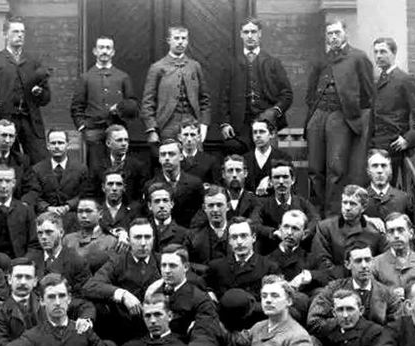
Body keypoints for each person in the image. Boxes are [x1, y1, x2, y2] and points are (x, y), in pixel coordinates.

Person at [305, 19, 374, 215]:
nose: (333, 37)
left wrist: (352, 113)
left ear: (345, 33)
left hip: (341, 115)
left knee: (336, 168)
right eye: (330, 34)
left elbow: (368, 94)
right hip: (319, 113)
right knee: (314, 167)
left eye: (337, 33)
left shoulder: (358, 57)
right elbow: (310, 91)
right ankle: (317, 213)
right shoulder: (321, 59)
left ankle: (333, 214)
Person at [82, 219, 161, 344]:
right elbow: (90, 286)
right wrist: (122, 294)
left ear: (153, 239)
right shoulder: (117, 262)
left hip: (158, 329)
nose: (143, 243)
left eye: (147, 237)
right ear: (129, 240)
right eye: (137, 237)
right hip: (124, 333)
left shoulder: (163, 262)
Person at [221, 17, 292, 153]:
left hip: (266, 122)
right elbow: (224, 97)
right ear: (241, 34)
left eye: (253, 32)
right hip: (240, 125)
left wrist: (274, 111)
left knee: (268, 159)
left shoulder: (273, 63)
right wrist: (225, 123)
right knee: (239, 159)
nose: (250, 36)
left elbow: (287, 94)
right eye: (246, 32)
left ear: (260, 33)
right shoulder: (231, 64)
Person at [0, 16, 51, 164]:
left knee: (39, 161)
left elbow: (46, 98)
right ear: (5, 34)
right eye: (15, 31)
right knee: (7, 161)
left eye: (22, 32)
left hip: (30, 121)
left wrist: (39, 92)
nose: (20, 35)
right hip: (6, 121)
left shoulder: (34, 61)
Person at [70, 35, 138, 170]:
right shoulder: (86, 78)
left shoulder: (122, 77)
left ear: (113, 52)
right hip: (93, 130)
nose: (105, 51)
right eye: (101, 48)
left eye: (108, 48)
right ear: (95, 51)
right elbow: (76, 106)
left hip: (117, 129)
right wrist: (83, 127)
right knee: (95, 167)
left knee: (118, 165)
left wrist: (120, 108)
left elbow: (133, 104)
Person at [307, 243, 402, 338]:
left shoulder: (388, 294)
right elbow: (314, 321)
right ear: (347, 264)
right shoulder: (333, 289)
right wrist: (344, 320)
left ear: (373, 262)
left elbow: (397, 328)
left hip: (376, 343)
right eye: (358, 261)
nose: (364, 265)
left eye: (367, 260)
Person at [372, 37, 415, 185]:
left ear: (393, 53)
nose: (378, 56)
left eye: (383, 52)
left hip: (393, 147)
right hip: (375, 145)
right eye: (376, 52)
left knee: (388, 191)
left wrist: (408, 139)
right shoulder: (378, 81)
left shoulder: (405, 80)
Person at [141, 26, 211, 143]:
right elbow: (148, 102)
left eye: (183, 38)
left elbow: (204, 99)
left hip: (193, 126)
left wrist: (204, 125)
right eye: (176, 38)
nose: (180, 42)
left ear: (187, 41)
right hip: (167, 126)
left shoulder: (194, 66)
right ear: (169, 40)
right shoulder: (157, 67)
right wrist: (151, 128)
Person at [311, 184, 388, 280]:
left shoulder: (374, 231)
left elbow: (383, 262)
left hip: (366, 281)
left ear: (363, 208)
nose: (347, 208)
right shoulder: (326, 228)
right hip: (335, 281)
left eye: (353, 204)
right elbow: (321, 261)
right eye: (345, 202)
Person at [205, 217, 281, 303]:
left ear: (253, 238)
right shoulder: (216, 267)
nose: (239, 242)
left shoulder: (269, 267)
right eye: (234, 237)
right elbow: (206, 287)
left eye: (243, 236)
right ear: (229, 241)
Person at [252, 159, 320, 254]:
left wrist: (305, 232)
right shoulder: (263, 204)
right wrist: (273, 232)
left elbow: (316, 219)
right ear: (270, 182)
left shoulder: (302, 203)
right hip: (271, 253)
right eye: (276, 177)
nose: (281, 182)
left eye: (285, 177)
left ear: (293, 180)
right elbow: (254, 224)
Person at [372, 212, 415, 298]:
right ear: (387, 237)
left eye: (400, 230)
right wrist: (391, 293)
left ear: (411, 233)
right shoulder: (374, 265)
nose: (396, 235)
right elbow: (371, 295)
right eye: (391, 231)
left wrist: (409, 292)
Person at [268, 210, 332, 294]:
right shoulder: (267, 259)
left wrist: (310, 275)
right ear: (280, 229)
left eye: (295, 228)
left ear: (304, 234)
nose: (289, 232)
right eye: (286, 227)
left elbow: (328, 276)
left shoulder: (311, 258)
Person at [145, 138, 204, 227]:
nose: (167, 158)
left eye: (171, 154)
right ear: (159, 159)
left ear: (181, 156)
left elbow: (201, 211)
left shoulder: (195, 183)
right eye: (163, 155)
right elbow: (148, 213)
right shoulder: (150, 185)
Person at [87, 124, 149, 203]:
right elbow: (92, 194)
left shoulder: (138, 166)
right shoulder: (98, 167)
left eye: (126, 140)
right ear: (108, 143)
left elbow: (141, 196)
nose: (124, 143)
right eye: (119, 140)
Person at [33, 129, 89, 215]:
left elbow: (84, 194)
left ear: (67, 144)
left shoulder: (81, 169)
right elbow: (34, 196)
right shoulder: (37, 169)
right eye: (53, 143)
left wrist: (68, 206)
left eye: (60, 143)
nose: (56, 146)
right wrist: (47, 208)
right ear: (48, 146)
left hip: (72, 214)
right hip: (45, 215)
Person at [34, 212, 91, 293]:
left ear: (61, 232)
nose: (43, 237)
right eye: (40, 233)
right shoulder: (32, 261)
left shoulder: (77, 262)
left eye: (49, 232)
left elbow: (82, 294)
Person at [62, 198, 119, 273]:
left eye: (88, 211)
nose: (83, 216)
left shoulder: (110, 241)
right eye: (80, 211)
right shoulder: (68, 239)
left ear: (100, 214)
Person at [184, 186, 230, 275]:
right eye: (211, 205)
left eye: (219, 205)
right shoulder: (192, 236)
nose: (215, 210)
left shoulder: (240, 232)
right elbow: (185, 264)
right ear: (204, 208)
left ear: (228, 206)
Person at [364, 149, 411, 221]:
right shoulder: (361, 198)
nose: (380, 171)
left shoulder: (403, 198)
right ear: (368, 171)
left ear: (390, 170)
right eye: (375, 166)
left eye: (384, 166)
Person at [146, 182, 188, 252]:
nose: (161, 205)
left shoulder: (184, 234)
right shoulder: (144, 231)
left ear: (172, 204)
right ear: (149, 206)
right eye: (157, 201)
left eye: (165, 200)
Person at [98, 171, 140, 237]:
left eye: (118, 184)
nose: (114, 188)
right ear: (103, 187)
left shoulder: (133, 212)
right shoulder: (96, 211)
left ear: (124, 188)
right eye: (110, 184)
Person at [179, 120, 219, 186]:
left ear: (199, 137)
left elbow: (215, 185)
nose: (189, 139)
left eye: (192, 135)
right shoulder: (174, 159)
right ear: (180, 137)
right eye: (185, 135)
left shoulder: (210, 160)